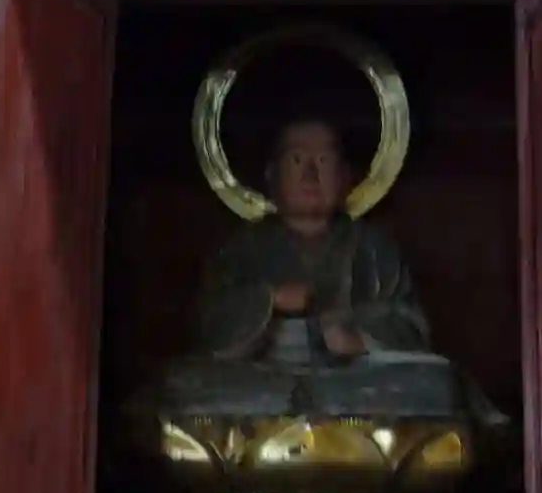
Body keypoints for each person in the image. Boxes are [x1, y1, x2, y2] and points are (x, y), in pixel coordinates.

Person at [156, 118, 505, 424]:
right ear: (272, 177)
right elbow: (208, 325)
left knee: (435, 385)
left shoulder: (373, 248)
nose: (310, 174)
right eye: (297, 160)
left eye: (323, 161)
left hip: (352, 383)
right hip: (265, 380)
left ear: (346, 178)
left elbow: (412, 325)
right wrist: (268, 301)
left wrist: (358, 338)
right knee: (182, 384)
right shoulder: (240, 249)